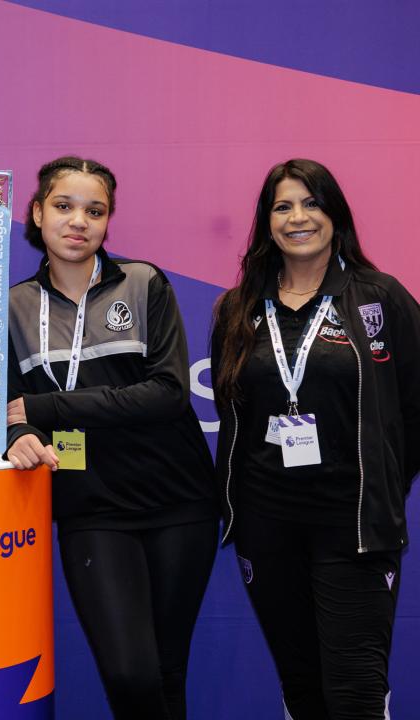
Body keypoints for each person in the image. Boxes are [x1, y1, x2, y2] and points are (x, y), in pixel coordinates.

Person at [5, 156, 218, 719]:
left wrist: (44, 407)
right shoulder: (13, 307)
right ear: (37, 213)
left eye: (94, 211)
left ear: (108, 222)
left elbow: (167, 393)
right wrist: (20, 435)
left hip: (178, 500)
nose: (79, 222)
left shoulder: (144, 282)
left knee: (168, 670)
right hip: (92, 507)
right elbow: (6, 408)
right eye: (64, 206)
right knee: (129, 671)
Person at [210, 158, 420, 719]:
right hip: (268, 527)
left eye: (311, 203)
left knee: (353, 695)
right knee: (303, 690)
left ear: (335, 215)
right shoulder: (239, 309)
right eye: (283, 206)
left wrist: (382, 484)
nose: (297, 217)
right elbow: (236, 418)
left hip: (352, 527)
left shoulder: (379, 298)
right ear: (267, 221)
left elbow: (414, 409)